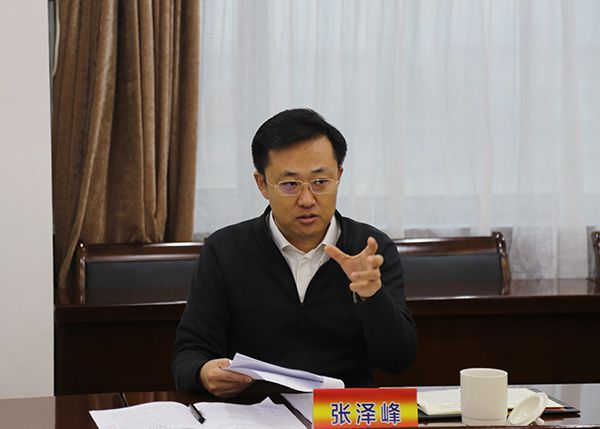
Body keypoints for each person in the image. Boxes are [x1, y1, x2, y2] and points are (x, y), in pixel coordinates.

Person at [172, 108, 417, 397]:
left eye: (320, 182)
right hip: (254, 413)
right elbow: (188, 354)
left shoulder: (370, 250)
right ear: (262, 184)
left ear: (339, 176)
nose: (307, 199)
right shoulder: (225, 250)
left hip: (340, 412)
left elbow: (398, 360)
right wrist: (204, 372)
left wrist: (372, 295)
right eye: (290, 184)